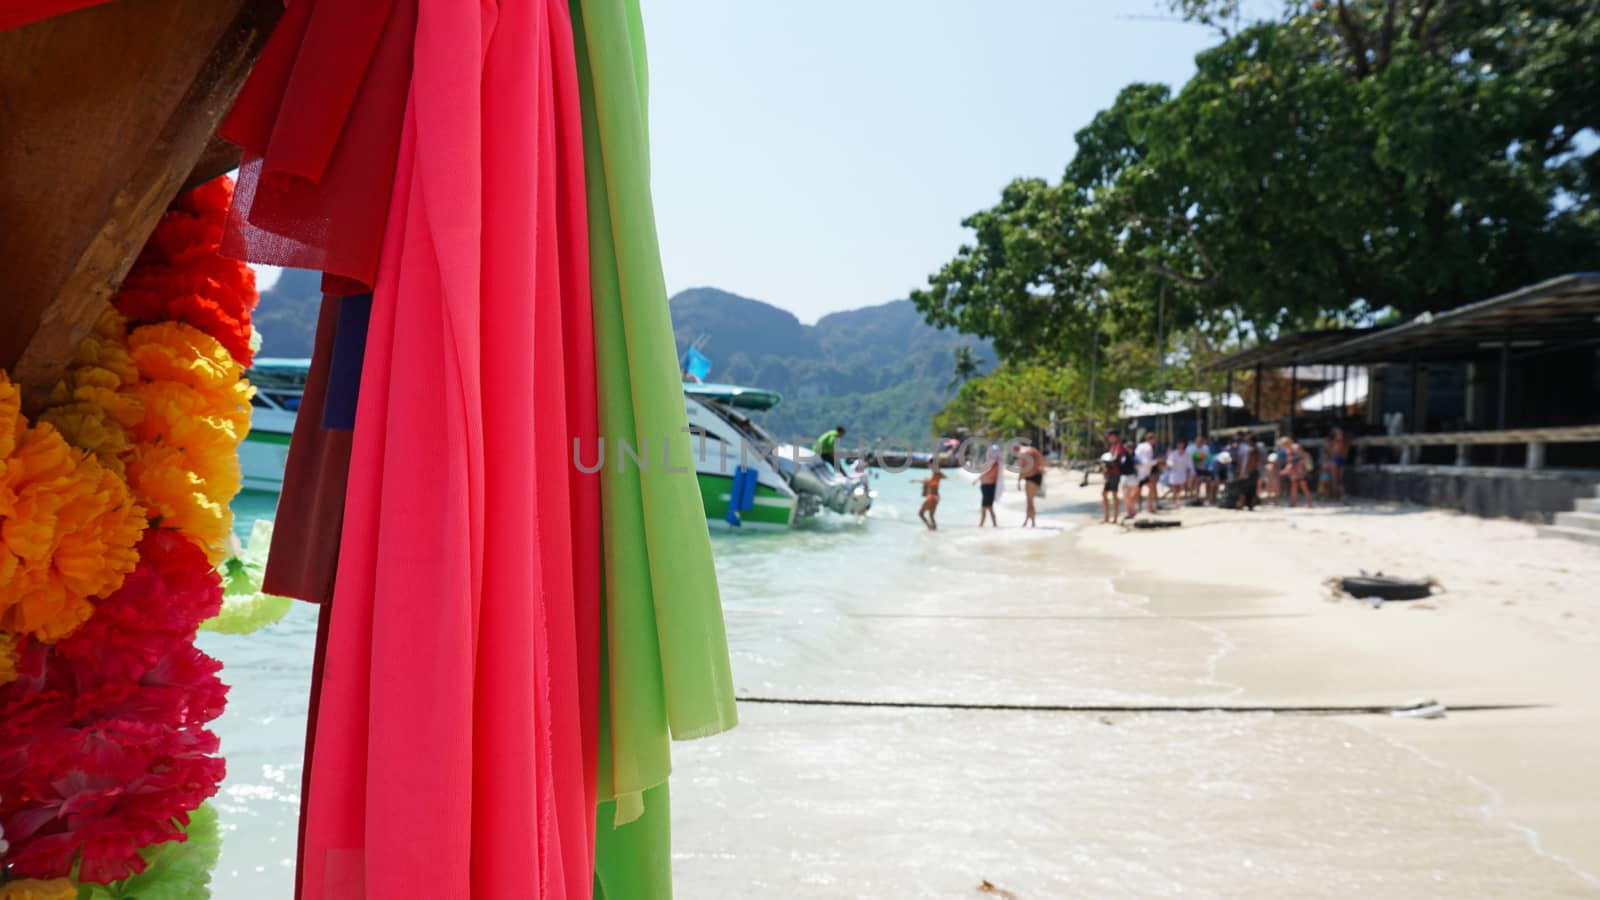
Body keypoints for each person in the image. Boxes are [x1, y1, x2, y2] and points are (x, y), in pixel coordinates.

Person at [1101, 430, 1130, 524]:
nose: (1109, 438)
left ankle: (1115, 517)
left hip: (1115, 473)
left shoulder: (1119, 446)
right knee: (1104, 494)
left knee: (1114, 495)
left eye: (1110, 436)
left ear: (1114, 436)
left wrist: (1106, 462)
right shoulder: (1113, 446)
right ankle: (1107, 517)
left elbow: (1115, 459)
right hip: (1109, 473)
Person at [1017, 441, 1047, 528]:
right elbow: (1043, 463)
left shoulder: (1023, 452)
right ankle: (1027, 521)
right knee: (1031, 501)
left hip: (1030, 478)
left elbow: (1022, 468)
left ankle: (1032, 523)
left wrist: (1019, 481)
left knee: (1029, 502)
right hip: (1038, 477)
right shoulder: (1034, 450)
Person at [1282, 435, 1314, 507]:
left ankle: (1309, 503)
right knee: (1294, 487)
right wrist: (1286, 469)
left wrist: (1300, 468)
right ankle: (1293, 503)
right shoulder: (1287, 450)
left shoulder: (1296, 447)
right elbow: (1289, 462)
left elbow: (1302, 457)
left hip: (1300, 471)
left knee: (1304, 486)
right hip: (1294, 472)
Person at [977, 443, 1002, 527]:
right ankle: (993, 525)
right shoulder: (991, 463)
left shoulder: (995, 463)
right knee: (987, 508)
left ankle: (982, 526)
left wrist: (977, 478)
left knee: (987, 508)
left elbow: (988, 472)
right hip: (986, 488)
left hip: (989, 488)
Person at [1134, 431, 1158, 515]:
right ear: (1152, 439)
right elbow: (1147, 462)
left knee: (1138, 490)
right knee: (1151, 489)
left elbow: (1136, 459)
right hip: (1145, 473)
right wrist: (1156, 461)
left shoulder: (1139, 446)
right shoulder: (1149, 448)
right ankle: (1149, 507)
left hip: (1138, 472)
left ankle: (1137, 507)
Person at [1325, 427, 1349, 501]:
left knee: (1340, 479)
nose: (1341, 434)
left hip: (1341, 460)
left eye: (1341, 433)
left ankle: (1339, 495)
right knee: (1335, 479)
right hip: (1334, 460)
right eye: (1339, 433)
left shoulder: (1344, 441)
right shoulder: (1332, 442)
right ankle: (1336, 496)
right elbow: (1328, 453)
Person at [917, 466, 945, 530]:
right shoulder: (933, 482)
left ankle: (929, 527)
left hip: (931, 498)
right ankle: (934, 530)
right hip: (936, 499)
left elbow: (923, 494)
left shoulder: (928, 483)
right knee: (931, 516)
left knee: (920, 514)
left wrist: (923, 485)